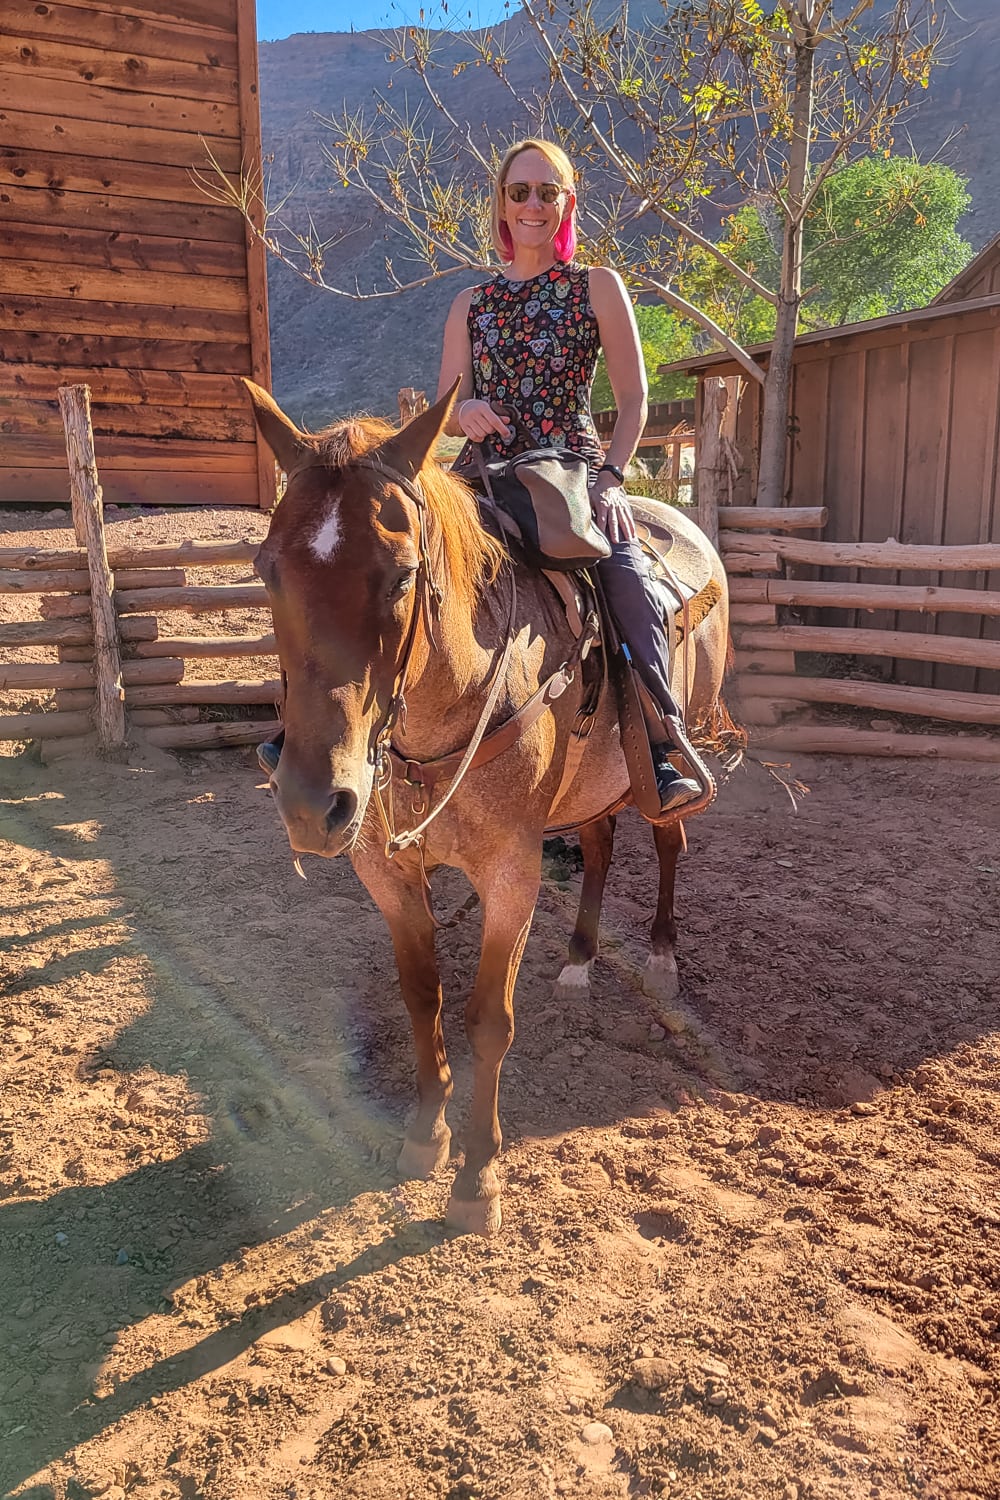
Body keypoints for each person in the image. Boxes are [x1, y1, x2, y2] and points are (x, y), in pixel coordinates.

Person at [435, 137, 700, 813]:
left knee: (623, 572)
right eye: (519, 191)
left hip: (570, 472)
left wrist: (611, 478)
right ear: (501, 203)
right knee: (391, 563)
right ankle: (333, 735)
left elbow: (634, 399)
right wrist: (464, 409)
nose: (532, 204)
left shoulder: (596, 287)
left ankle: (661, 744)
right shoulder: (471, 303)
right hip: (483, 476)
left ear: (567, 203)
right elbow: (443, 413)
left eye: (546, 191)